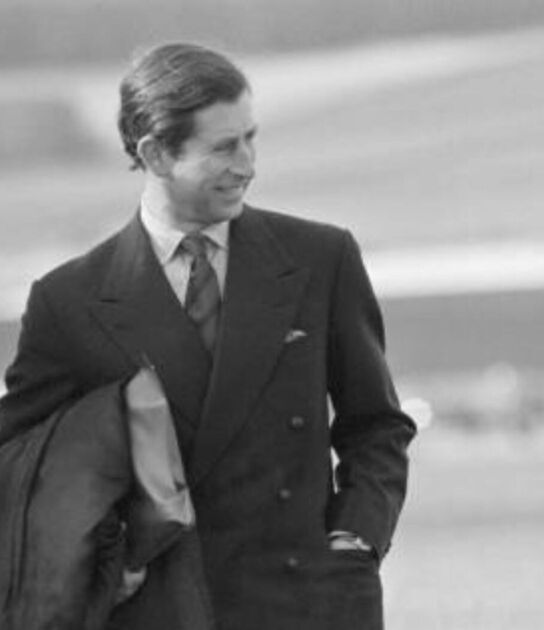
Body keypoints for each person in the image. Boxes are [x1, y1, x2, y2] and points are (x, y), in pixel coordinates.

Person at [0, 42, 416, 630]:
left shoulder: (321, 259)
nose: (247, 164)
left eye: (251, 138)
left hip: (309, 602)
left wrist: (356, 539)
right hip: (159, 610)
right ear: (155, 154)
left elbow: (376, 426)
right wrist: (94, 564)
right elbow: (18, 471)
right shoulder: (68, 302)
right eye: (224, 147)